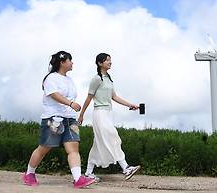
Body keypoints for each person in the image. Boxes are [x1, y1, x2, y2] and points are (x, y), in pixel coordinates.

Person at [22, 51, 95, 189]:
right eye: (70, 60)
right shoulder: (51, 78)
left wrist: (72, 107)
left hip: (70, 120)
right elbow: (53, 94)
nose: (72, 63)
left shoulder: (69, 80)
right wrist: (70, 103)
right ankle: (29, 174)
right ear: (62, 62)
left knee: (73, 148)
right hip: (53, 118)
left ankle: (78, 178)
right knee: (44, 148)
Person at [78, 53, 141, 181]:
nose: (110, 62)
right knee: (113, 137)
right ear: (100, 63)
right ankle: (126, 167)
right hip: (99, 113)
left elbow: (114, 97)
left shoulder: (109, 79)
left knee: (98, 143)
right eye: (107, 60)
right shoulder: (96, 79)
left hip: (107, 113)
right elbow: (89, 98)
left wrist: (131, 105)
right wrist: (82, 114)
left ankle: (88, 173)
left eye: (110, 60)